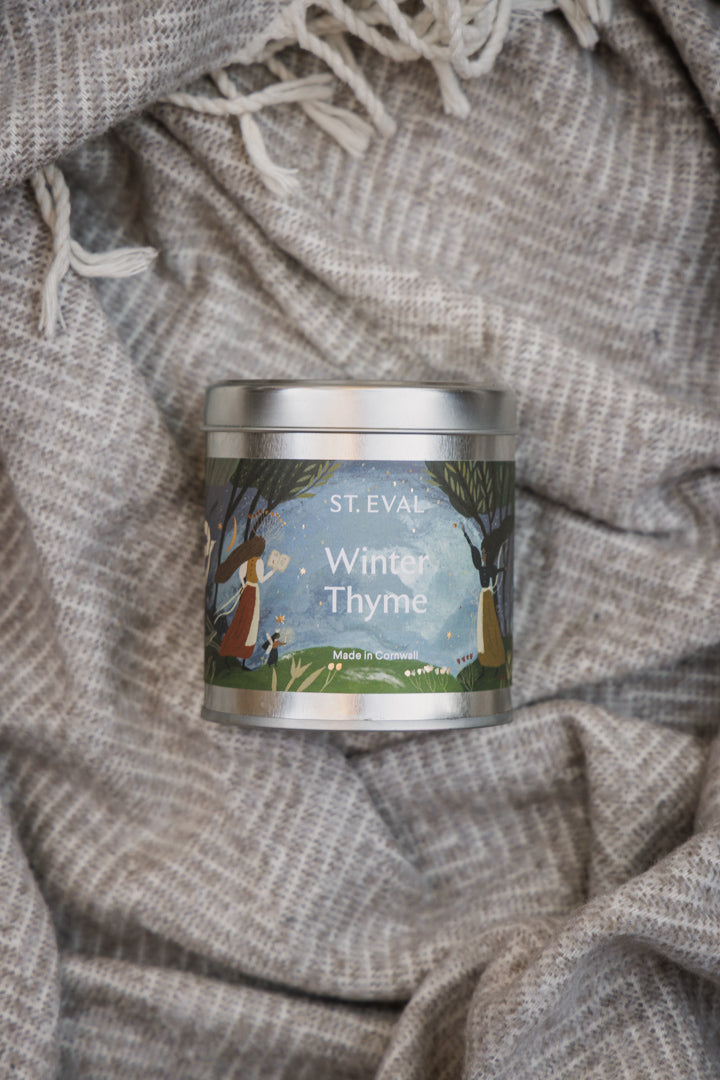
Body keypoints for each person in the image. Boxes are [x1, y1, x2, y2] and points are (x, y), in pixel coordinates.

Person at [214, 535, 276, 668]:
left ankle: (233, 645)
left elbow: (241, 574)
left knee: (241, 617)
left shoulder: (246, 561)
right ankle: (245, 649)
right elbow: (262, 579)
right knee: (251, 618)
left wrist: (244, 585)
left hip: (247, 589)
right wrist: (273, 571)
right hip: (253, 590)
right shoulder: (258, 562)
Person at [461, 526, 506, 671]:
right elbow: (472, 549)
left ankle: (494, 651)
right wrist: (466, 534)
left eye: (484, 553)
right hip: (483, 596)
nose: (483, 556)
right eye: (482, 553)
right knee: (483, 622)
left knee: (490, 620)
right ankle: (485, 653)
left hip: (487, 595)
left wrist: (503, 569)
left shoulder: (490, 569)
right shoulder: (480, 568)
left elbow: (498, 571)